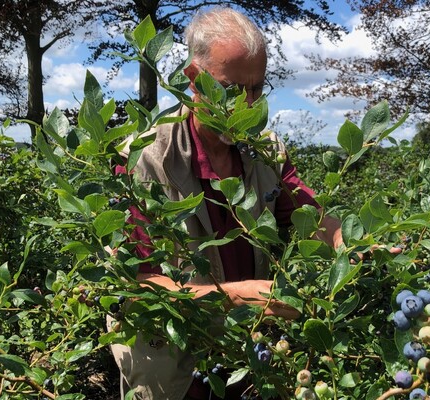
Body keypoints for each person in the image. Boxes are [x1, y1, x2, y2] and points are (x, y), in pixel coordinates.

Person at [109, 7, 343, 400]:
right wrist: (239, 295)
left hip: (249, 358)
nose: (247, 105)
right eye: (231, 89)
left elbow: (312, 219)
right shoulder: (144, 160)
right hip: (175, 369)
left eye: (257, 88)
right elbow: (137, 287)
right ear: (194, 79)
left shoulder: (266, 152)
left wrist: (349, 245)